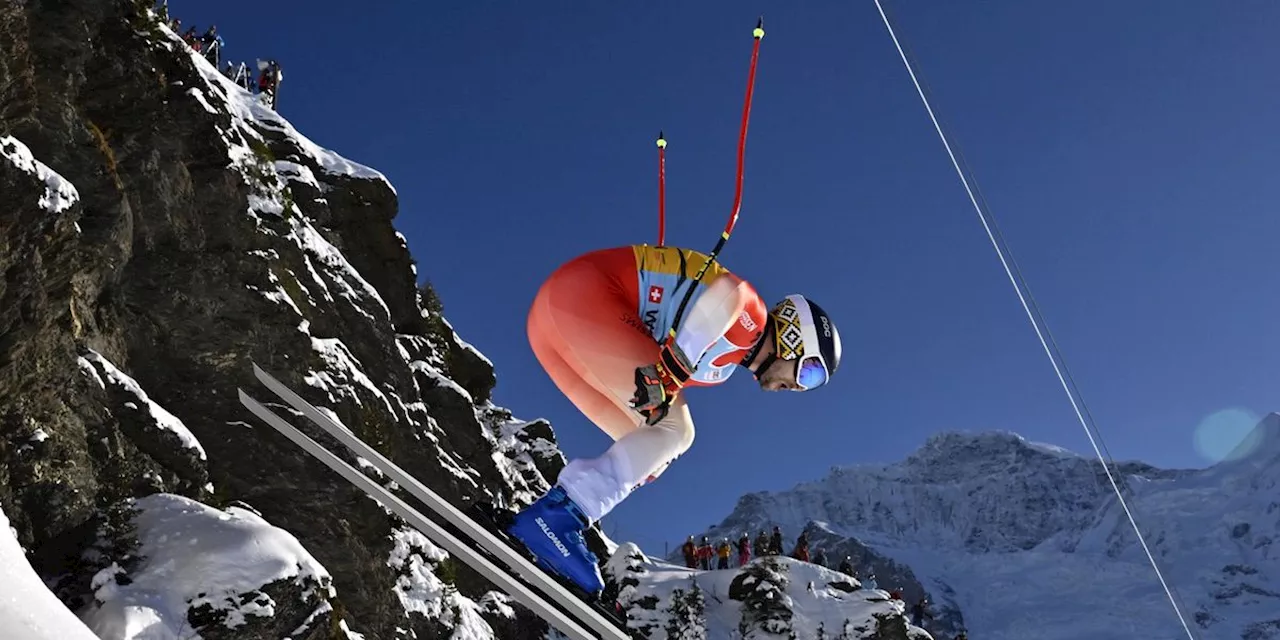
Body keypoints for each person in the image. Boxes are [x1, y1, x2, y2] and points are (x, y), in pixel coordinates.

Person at [506, 244, 842, 593]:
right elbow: (729, 294)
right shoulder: (752, 317)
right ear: (793, 337)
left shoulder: (719, 369)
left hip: (552, 326)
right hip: (581, 296)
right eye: (810, 372)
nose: (797, 387)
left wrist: (667, 375)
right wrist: (673, 367)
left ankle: (557, 518)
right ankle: (556, 520)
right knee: (677, 430)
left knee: (655, 448)